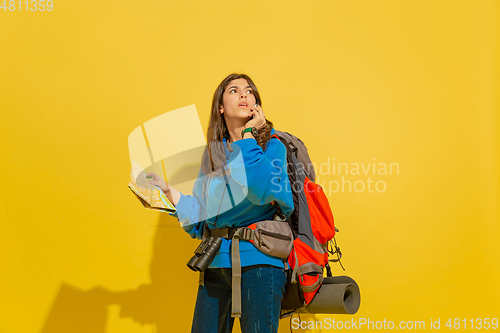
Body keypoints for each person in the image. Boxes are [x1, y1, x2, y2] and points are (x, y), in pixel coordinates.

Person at [147, 73, 294, 333]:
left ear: (256, 105)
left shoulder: (273, 147)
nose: (244, 95)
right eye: (234, 91)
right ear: (221, 107)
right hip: (216, 264)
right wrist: (168, 193)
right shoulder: (213, 155)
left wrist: (249, 136)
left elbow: (258, 189)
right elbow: (202, 218)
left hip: (260, 263)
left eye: (249, 92)